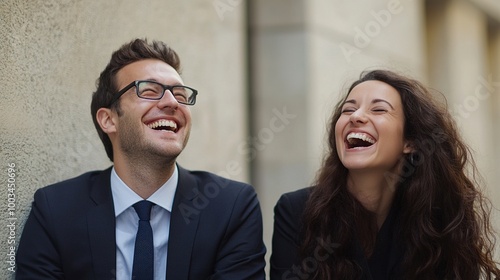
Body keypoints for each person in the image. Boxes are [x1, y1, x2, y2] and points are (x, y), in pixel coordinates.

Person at [16, 38, 266, 280]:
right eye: (149, 90)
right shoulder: (55, 210)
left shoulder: (231, 207)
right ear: (109, 119)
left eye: (180, 95)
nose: (171, 102)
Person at [270, 69, 500, 280]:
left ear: (410, 141)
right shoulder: (296, 211)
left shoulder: (439, 218)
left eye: (378, 109)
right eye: (348, 110)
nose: (355, 116)